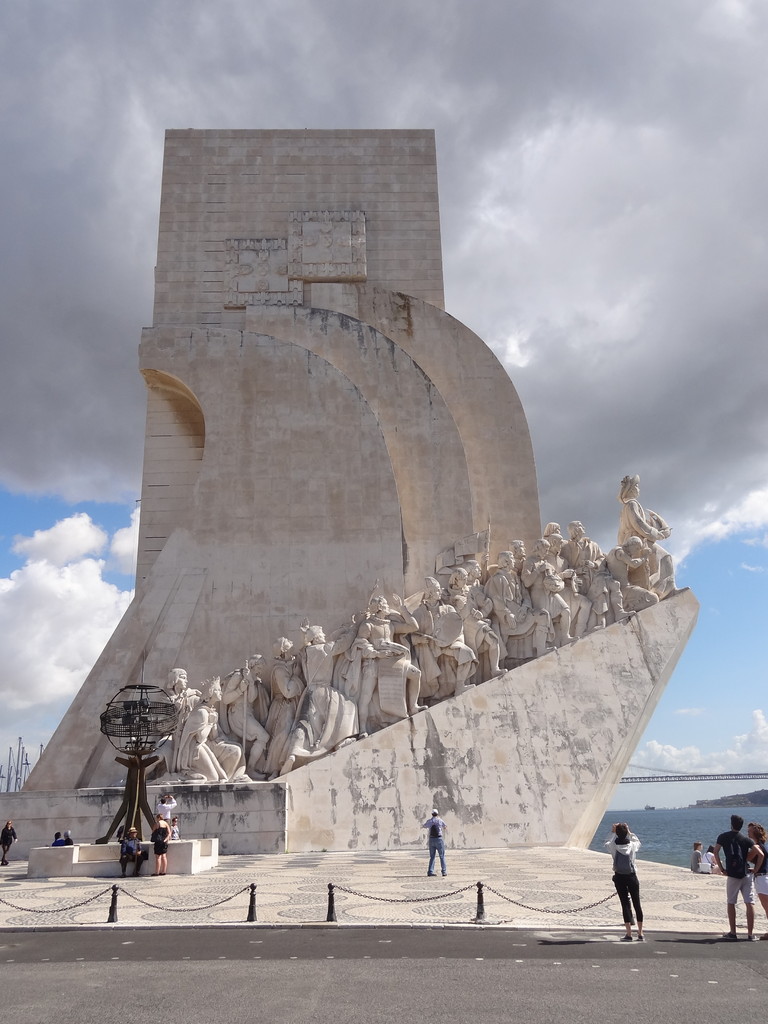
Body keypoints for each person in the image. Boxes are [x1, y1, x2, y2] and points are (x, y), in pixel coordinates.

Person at [713, 813, 763, 940]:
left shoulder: (723, 837)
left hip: (733, 874)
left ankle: (733, 932)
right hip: (746, 873)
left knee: (731, 902)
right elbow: (761, 854)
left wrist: (722, 868)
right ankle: (751, 934)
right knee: (749, 902)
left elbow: (716, 852)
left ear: (731, 824)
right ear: (741, 826)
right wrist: (756, 870)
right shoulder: (746, 840)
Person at [604, 822, 644, 941]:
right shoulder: (632, 845)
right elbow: (638, 843)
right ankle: (640, 932)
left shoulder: (613, 846)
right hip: (632, 876)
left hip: (619, 877)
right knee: (637, 903)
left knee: (625, 904)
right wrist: (630, 832)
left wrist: (612, 832)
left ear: (617, 833)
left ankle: (629, 933)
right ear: (626, 832)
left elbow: (606, 843)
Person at [747, 823, 768, 939]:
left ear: (754, 834)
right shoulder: (765, 845)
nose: (747, 833)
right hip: (766, 875)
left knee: (767, 907)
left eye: (749, 832)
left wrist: (755, 869)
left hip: (761, 878)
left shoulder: (757, 847)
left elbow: (748, 858)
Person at [422, 809, 448, 877]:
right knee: (442, 856)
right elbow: (445, 826)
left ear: (432, 814)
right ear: (437, 814)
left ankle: (430, 871)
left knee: (432, 857)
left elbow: (424, 826)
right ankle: (444, 871)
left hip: (431, 839)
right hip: (439, 839)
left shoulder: (430, 821)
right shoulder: (440, 820)